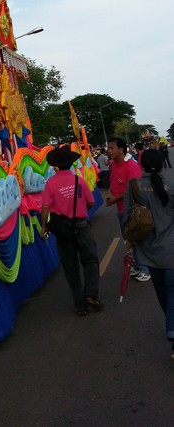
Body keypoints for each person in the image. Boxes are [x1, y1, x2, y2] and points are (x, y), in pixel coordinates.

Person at [123, 149, 174, 360]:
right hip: (171, 250)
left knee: (164, 295)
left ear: (141, 164)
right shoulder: (171, 185)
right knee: (172, 294)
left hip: (149, 253)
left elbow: (127, 218)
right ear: (163, 163)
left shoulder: (134, 187)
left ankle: (172, 329)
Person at [40, 145, 102, 316]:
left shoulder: (50, 183)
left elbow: (45, 207)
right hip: (81, 226)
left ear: (57, 165)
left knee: (70, 267)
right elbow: (90, 202)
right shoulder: (79, 180)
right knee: (90, 261)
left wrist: (44, 226)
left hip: (62, 230)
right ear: (70, 163)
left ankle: (79, 304)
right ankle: (90, 294)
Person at [106, 137, 149, 281]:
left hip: (132, 210)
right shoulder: (113, 165)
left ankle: (145, 269)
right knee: (128, 239)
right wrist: (110, 194)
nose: (109, 150)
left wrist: (115, 198)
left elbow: (134, 190)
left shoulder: (131, 166)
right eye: (108, 147)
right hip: (121, 210)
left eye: (112, 148)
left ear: (121, 149)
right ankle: (137, 266)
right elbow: (113, 182)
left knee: (137, 238)